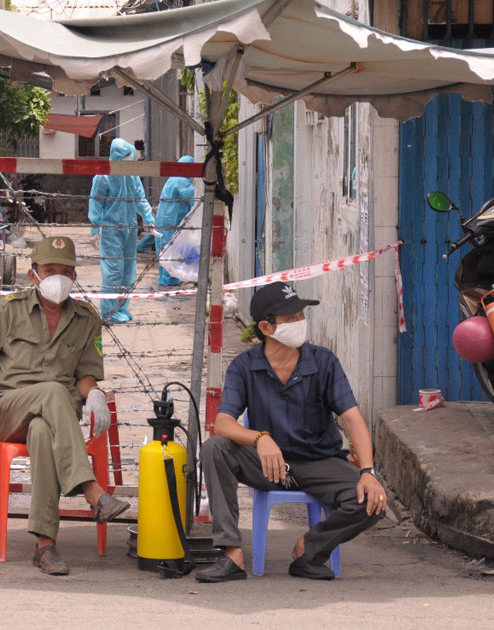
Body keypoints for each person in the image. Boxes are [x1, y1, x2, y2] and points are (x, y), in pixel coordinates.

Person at [0, 236, 130, 576]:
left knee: (42, 431)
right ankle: (92, 492)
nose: (57, 278)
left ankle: (45, 546)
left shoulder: (86, 318)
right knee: (51, 392)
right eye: (50, 270)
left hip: (55, 417)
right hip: (7, 408)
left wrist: (92, 393)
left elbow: (86, 374)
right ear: (33, 274)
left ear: (74, 276)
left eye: (65, 271)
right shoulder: (7, 310)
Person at [195, 281, 386, 583]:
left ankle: (309, 551)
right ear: (266, 328)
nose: (300, 323)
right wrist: (260, 438)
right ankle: (231, 554)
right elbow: (223, 424)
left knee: (372, 500)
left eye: (301, 316)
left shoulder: (323, 362)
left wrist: (367, 471)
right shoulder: (245, 366)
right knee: (215, 448)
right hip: (267, 464)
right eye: (291, 318)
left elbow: (353, 418)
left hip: (319, 462)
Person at [88, 138, 155, 323]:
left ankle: (121, 308)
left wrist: (149, 217)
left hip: (130, 228)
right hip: (111, 230)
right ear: (116, 155)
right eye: (126, 156)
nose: (129, 159)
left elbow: (139, 198)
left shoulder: (131, 175)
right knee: (113, 271)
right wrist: (95, 227)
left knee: (128, 271)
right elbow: (96, 202)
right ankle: (109, 311)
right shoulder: (103, 176)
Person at [154, 155, 197, 286]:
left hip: (165, 219)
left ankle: (164, 276)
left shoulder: (173, 178)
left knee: (163, 248)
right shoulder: (182, 181)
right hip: (172, 220)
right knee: (171, 249)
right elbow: (192, 198)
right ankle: (169, 278)